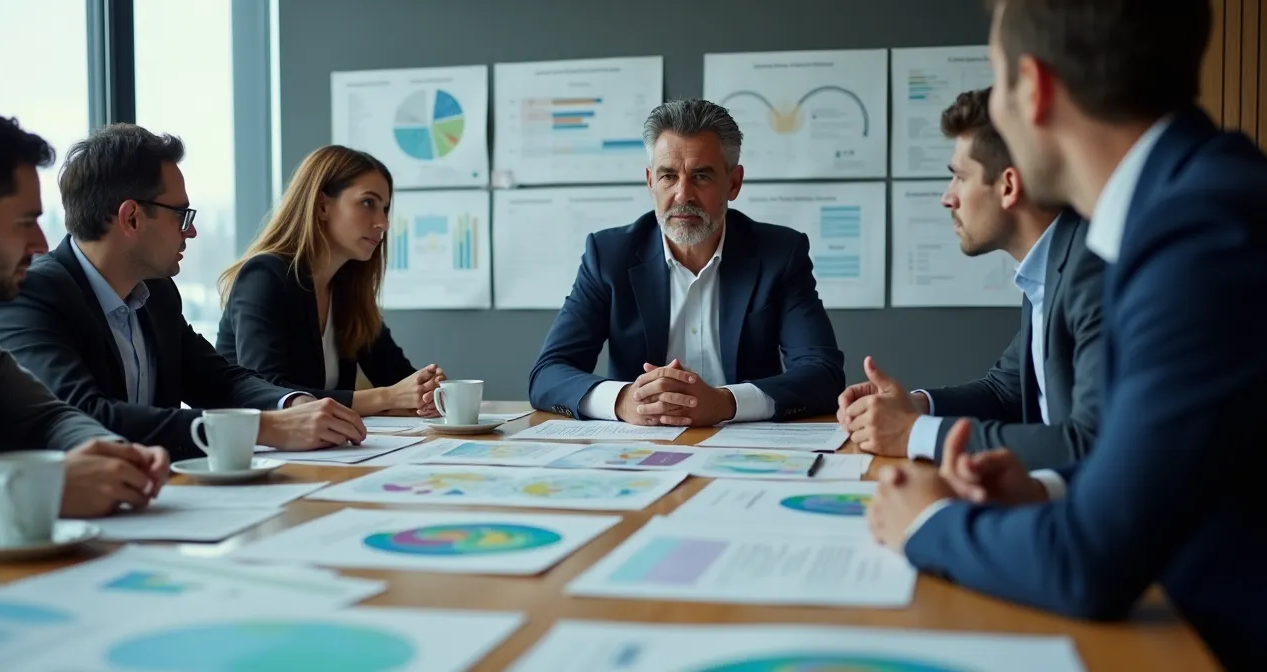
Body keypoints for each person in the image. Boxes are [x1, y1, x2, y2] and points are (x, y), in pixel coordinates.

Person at [865, 1, 1267, 668]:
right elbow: (1176, 467)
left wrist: (926, 524)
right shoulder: (1193, 201)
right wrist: (1049, 488)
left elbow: (1090, 566)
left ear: (1036, 88)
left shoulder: (1198, 237)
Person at [0, 124, 368, 462]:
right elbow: (85, 414)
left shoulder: (157, 293)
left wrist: (291, 403)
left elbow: (217, 379)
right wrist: (264, 428)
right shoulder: (32, 293)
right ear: (131, 217)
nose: (191, 232)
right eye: (181, 215)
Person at [529, 99, 846, 427]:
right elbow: (548, 373)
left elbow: (822, 373)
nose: (683, 195)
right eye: (668, 176)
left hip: (746, 445)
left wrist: (725, 403)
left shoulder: (779, 253)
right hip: (640, 446)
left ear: (733, 183)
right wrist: (624, 401)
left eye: (701, 176)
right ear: (651, 182)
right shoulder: (609, 256)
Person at [838, 87, 1105, 470]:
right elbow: (1004, 391)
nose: (948, 198)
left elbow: (1090, 443)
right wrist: (913, 406)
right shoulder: (1047, 267)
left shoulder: (1090, 270)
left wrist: (913, 433)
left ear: (1008, 187)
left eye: (960, 178)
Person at [0, 104, 169, 526]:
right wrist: (47, 485)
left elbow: (42, 417)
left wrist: (109, 452)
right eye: (25, 223)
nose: (39, 244)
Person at [215, 145, 444, 417]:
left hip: (324, 450)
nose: (383, 223)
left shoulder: (347, 289)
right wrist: (388, 396)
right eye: (368, 203)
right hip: (253, 452)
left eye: (384, 209)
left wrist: (427, 390)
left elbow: (398, 378)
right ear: (322, 205)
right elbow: (270, 393)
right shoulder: (264, 276)